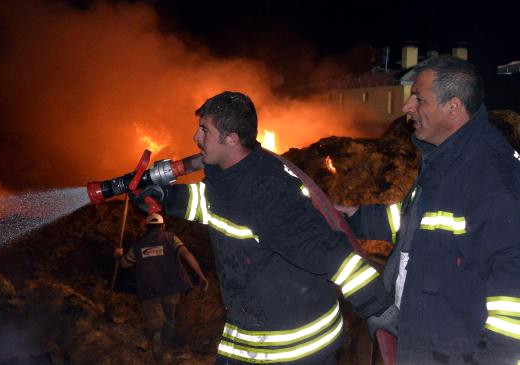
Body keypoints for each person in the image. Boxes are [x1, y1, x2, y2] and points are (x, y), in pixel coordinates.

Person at [131, 91, 390, 364]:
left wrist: (379, 310)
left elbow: (330, 254)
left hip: (291, 347)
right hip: (253, 332)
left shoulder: (268, 192)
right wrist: (167, 198)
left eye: (205, 130)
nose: (196, 138)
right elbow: (215, 206)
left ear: (231, 138)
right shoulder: (231, 176)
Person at [336, 55, 520, 364]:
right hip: (425, 343)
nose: (407, 107)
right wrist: (356, 217)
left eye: (419, 99)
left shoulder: (493, 183)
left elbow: (514, 301)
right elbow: (421, 221)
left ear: (453, 107)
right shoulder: (446, 159)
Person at [114, 212, 209, 361]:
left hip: (149, 289)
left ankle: (156, 335)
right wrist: (200, 275)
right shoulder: (171, 238)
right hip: (171, 287)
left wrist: (119, 256)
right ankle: (167, 344)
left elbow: (125, 264)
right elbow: (186, 254)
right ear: (163, 226)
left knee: (155, 318)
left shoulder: (138, 245)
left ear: (147, 227)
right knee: (169, 316)